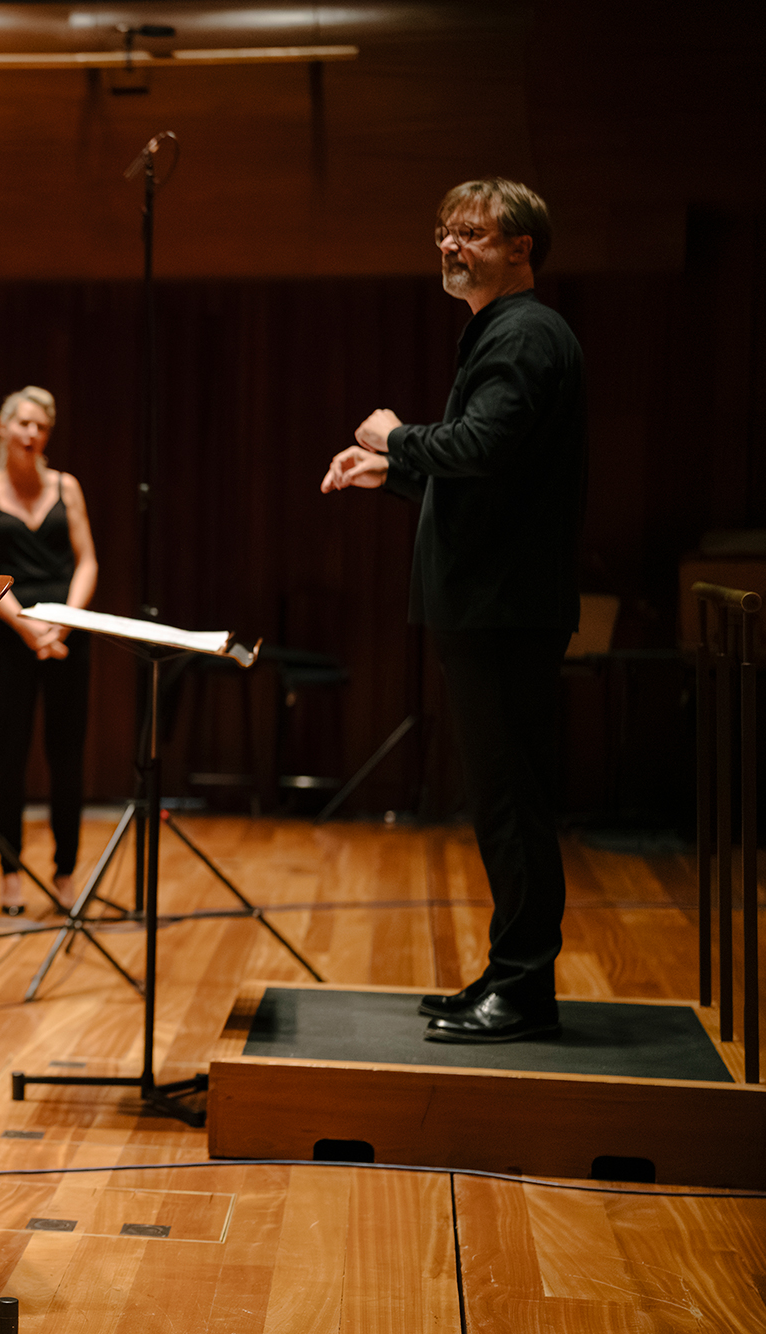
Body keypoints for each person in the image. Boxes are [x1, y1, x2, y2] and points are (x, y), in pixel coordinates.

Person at [321, 177, 585, 1044]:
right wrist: (394, 473)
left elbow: (480, 447)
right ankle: (509, 975)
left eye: (470, 232)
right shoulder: (504, 330)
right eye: (443, 231)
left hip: (502, 607)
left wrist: (391, 436)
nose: (448, 245)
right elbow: (487, 477)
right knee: (500, 797)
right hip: (492, 603)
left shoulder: (523, 335)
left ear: (520, 248)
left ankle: (524, 989)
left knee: (511, 800)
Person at [0, 387, 97, 915]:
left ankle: (66, 871)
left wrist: (62, 624)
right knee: (10, 758)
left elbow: (87, 561)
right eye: (23, 423)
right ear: (2, 427)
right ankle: (10, 872)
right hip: (11, 631)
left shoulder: (67, 486)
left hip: (67, 633)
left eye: (41, 427)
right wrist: (27, 627)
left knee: (67, 757)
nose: (32, 434)